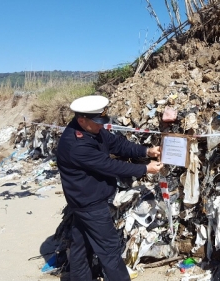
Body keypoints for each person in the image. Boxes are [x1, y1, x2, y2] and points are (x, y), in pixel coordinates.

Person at [56, 95, 162, 281]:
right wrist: (145, 168)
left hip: (83, 200)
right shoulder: (76, 145)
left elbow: (117, 144)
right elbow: (111, 166)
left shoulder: (92, 129)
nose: (102, 126)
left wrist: (146, 151)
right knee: (109, 249)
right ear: (82, 120)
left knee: (81, 245)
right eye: (98, 122)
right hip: (89, 203)